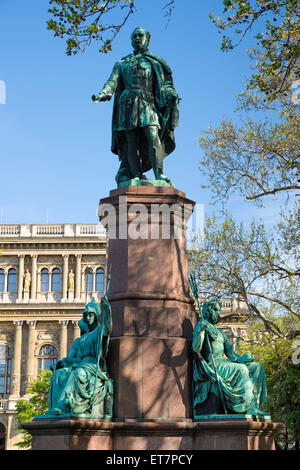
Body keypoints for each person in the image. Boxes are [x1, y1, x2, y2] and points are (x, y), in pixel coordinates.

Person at [92, 27, 179, 186]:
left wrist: (170, 94)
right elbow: (113, 81)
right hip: (127, 106)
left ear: (148, 39)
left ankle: (159, 175)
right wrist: (105, 93)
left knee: (153, 137)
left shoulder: (155, 63)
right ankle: (137, 175)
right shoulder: (122, 63)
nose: (137, 38)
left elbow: (165, 85)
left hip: (147, 103)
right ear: (131, 40)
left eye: (140, 35)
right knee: (131, 143)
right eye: (134, 36)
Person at [192, 299, 268, 417]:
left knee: (256, 367)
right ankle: (246, 406)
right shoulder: (201, 326)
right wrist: (201, 330)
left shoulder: (221, 333)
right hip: (214, 364)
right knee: (241, 370)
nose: (219, 314)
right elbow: (195, 349)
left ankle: (254, 405)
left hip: (225, 362)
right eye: (216, 310)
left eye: (219, 311)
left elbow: (231, 355)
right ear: (208, 311)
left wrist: (244, 358)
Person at [45, 297, 113, 418]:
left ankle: (61, 406)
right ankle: (57, 406)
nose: (88, 318)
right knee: (58, 374)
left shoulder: (99, 332)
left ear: (96, 316)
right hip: (81, 364)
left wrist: (107, 312)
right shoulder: (82, 338)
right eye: (86, 315)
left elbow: (107, 330)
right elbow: (76, 358)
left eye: (91, 315)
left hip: (93, 367)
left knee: (77, 373)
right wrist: (62, 363)